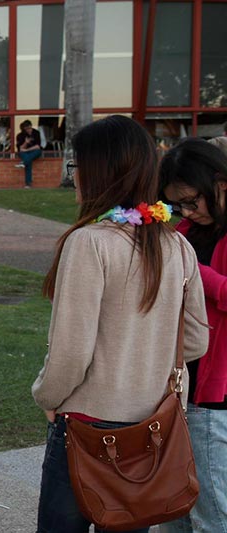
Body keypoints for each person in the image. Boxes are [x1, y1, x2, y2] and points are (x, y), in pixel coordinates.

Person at [32, 115, 209, 533]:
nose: (75, 178)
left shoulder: (90, 243)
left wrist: (45, 395)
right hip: (151, 424)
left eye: (78, 167)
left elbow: (72, 352)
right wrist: (143, 360)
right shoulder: (177, 243)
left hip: (87, 424)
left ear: (99, 173)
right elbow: (196, 338)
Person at [158, 138, 227, 533]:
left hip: (212, 393)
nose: (186, 211)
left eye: (190, 200)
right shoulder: (186, 229)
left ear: (219, 182)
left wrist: (190, 270)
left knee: (212, 512)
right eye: (177, 204)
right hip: (178, 387)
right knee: (174, 509)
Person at [15, 119, 42, 188]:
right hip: (24, 153)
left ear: (31, 126)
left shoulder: (36, 133)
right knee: (28, 161)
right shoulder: (20, 135)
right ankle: (28, 184)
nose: (28, 130)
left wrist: (26, 150)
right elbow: (20, 149)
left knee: (37, 152)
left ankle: (23, 163)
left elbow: (37, 146)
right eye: (26, 129)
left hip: (34, 151)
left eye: (29, 128)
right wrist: (26, 142)